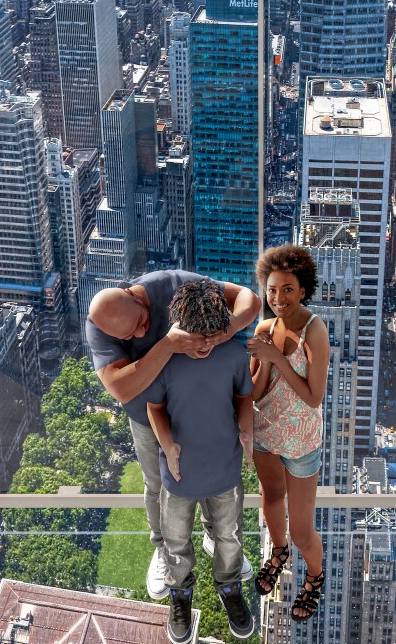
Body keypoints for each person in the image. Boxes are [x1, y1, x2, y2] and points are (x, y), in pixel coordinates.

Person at [85, 270, 259, 599]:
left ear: (135, 296)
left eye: (142, 321)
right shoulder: (99, 325)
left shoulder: (172, 284)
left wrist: (223, 332)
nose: (142, 331)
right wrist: (168, 345)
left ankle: (216, 537)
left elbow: (250, 300)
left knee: (217, 474)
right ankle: (164, 550)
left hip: (202, 402)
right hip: (147, 414)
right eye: (131, 335)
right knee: (158, 485)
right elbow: (120, 388)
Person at [144, 280, 255, 643]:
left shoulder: (235, 355)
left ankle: (230, 589)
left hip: (225, 469)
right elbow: (154, 408)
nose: (206, 343)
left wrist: (247, 430)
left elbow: (243, 397)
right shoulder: (165, 362)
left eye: (213, 334)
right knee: (176, 543)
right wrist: (168, 445)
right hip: (178, 475)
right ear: (178, 328)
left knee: (229, 537)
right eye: (197, 336)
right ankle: (180, 596)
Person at [246, 245, 329, 622]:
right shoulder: (264, 328)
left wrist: (278, 358)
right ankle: (277, 554)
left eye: (288, 289)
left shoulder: (315, 330)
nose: (278, 298)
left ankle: (314, 575)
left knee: (301, 529)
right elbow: (257, 391)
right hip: (266, 433)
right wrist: (264, 360)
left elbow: (314, 397)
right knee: (270, 500)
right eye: (272, 289)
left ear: (304, 289)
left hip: (301, 440)